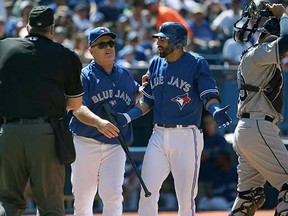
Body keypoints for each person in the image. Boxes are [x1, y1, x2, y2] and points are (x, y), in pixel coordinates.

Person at [113, 21, 232, 216]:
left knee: (186, 198)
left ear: (177, 43)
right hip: (158, 133)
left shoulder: (196, 62)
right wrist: (127, 116)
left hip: (187, 135)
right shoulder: (155, 63)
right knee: (148, 190)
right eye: (158, 39)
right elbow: (147, 101)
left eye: (163, 39)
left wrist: (215, 109)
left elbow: (208, 95)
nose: (158, 43)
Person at [0, 6, 83, 216]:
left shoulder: (4, 47)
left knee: (8, 202)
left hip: (8, 132)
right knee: (50, 206)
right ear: (52, 29)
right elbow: (75, 104)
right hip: (45, 133)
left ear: (27, 27)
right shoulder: (66, 56)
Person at [69, 26, 143, 216]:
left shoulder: (124, 74)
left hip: (115, 144)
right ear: (91, 50)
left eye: (111, 43)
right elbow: (77, 108)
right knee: (84, 199)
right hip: (87, 142)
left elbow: (134, 96)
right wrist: (98, 123)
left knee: (113, 196)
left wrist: (145, 88)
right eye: (101, 44)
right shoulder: (85, 75)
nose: (108, 47)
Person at [230, 3, 288, 216]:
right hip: (257, 128)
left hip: (250, 129)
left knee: (249, 197)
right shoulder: (261, 52)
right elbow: (285, 42)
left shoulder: (254, 55)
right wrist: (284, 16)